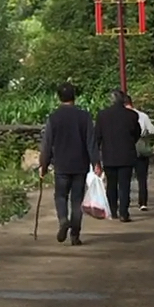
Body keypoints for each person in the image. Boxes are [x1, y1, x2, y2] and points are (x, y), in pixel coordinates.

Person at [39, 83, 100, 244]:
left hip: (61, 165)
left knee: (60, 196)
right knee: (77, 200)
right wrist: (96, 163)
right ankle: (75, 235)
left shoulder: (54, 117)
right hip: (80, 165)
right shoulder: (84, 116)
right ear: (75, 96)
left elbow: (47, 144)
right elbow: (91, 142)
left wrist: (43, 165)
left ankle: (63, 220)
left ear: (59, 97)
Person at [95, 88, 141, 221]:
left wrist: (96, 157)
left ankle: (113, 210)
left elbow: (97, 136)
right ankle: (124, 212)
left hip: (109, 155)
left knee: (111, 184)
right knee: (124, 185)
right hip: (127, 154)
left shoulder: (103, 115)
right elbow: (137, 133)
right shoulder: (132, 115)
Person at [125, 94, 154, 210]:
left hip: (127, 148)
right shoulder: (143, 116)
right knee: (142, 178)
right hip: (141, 147)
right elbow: (153, 130)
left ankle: (125, 201)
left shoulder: (122, 116)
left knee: (125, 178)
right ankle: (142, 202)